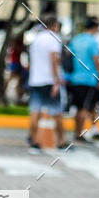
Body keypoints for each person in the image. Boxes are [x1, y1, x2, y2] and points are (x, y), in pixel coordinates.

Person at [27, 14, 69, 153]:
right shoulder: (54, 38)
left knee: (35, 111)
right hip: (49, 80)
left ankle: (33, 140)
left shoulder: (36, 38)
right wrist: (57, 79)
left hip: (35, 79)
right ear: (55, 25)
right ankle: (61, 141)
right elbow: (53, 59)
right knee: (56, 112)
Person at [67, 16, 99, 144]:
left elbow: (69, 55)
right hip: (89, 78)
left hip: (75, 78)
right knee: (85, 108)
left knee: (78, 106)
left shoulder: (76, 39)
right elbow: (96, 60)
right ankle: (79, 134)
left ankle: (77, 132)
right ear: (94, 27)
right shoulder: (92, 42)